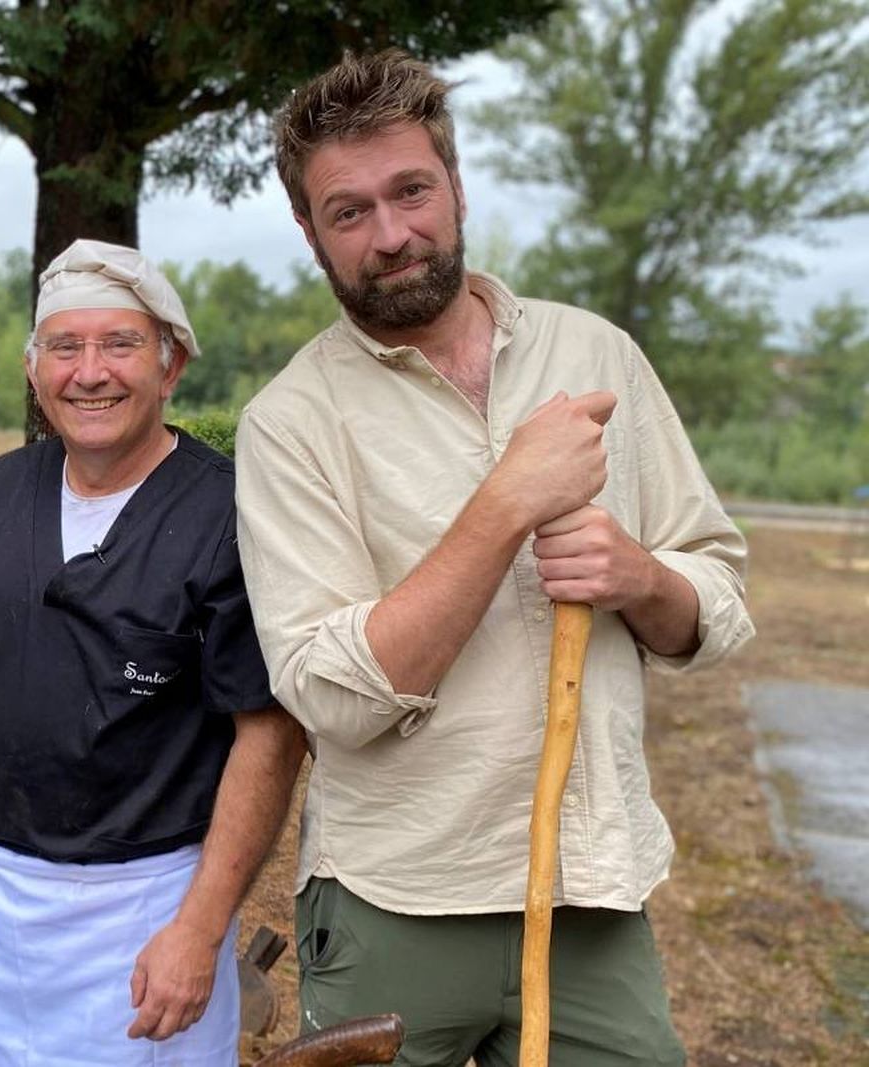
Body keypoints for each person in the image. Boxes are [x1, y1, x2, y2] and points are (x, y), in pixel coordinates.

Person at [233, 50, 755, 1067]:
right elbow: (331, 696)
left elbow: (720, 594)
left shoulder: (594, 356)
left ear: (456, 183)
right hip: (397, 896)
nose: (391, 234)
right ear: (308, 231)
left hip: (586, 888)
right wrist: (506, 502)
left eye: (411, 190)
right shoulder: (290, 424)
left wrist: (643, 577)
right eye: (348, 212)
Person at [0, 239, 305, 1066]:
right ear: (35, 371)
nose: (90, 371)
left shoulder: (229, 516)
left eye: (120, 344)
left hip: (143, 906)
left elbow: (270, 734)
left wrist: (200, 926)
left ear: (170, 365)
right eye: (65, 347)